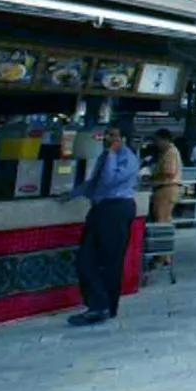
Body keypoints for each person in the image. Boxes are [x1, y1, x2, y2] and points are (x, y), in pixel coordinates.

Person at [65, 127, 140, 326]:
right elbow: (94, 181)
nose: (109, 138)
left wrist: (112, 153)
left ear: (122, 138)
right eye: (106, 135)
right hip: (100, 209)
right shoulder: (105, 156)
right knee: (86, 258)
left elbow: (108, 181)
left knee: (110, 259)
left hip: (116, 209)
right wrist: (72, 194)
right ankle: (99, 304)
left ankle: (103, 307)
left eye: (114, 135)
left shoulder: (127, 158)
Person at [148, 129, 182, 224]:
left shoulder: (171, 152)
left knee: (162, 219)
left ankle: (162, 238)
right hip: (163, 189)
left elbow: (169, 172)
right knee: (162, 217)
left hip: (167, 188)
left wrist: (153, 175)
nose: (156, 144)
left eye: (158, 141)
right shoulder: (165, 152)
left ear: (165, 140)